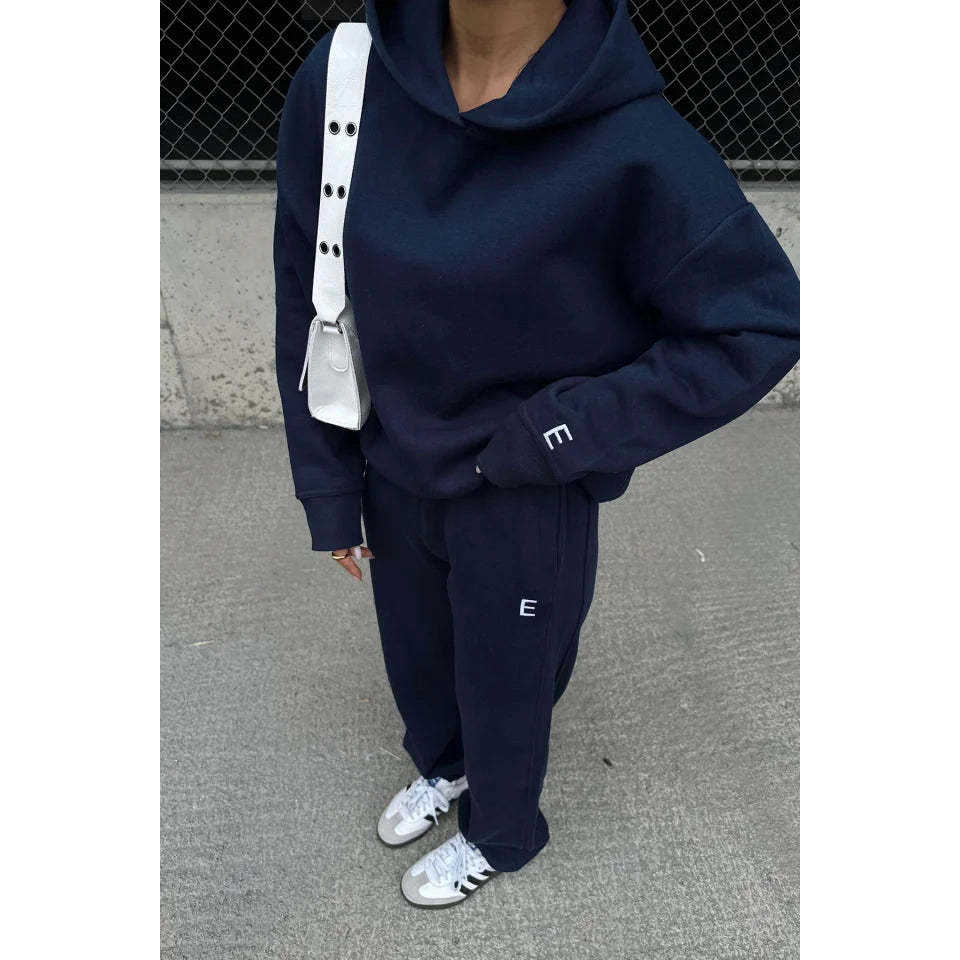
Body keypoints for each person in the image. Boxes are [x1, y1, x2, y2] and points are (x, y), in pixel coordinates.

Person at [274, 0, 799, 908]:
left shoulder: (636, 144)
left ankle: (504, 832)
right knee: (417, 661)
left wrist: (560, 433)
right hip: (394, 461)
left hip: (524, 491)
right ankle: (447, 766)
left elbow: (760, 323)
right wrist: (327, 483)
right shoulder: (347, 78)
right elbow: (306, 279)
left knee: (508, 683)